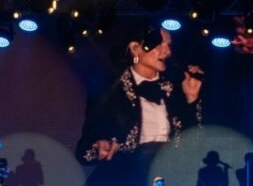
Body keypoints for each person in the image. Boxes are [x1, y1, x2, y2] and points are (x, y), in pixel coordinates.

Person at [75, 26, 203, 163]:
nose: (167, 52)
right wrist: (100, 146)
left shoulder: (177, 88)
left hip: (170, 174)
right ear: (135, 48)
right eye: (159, 44)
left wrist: (192, 98)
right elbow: (84, 152)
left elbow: (194, 145)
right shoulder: (109, 93)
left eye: (169, 45)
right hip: (128, 177)